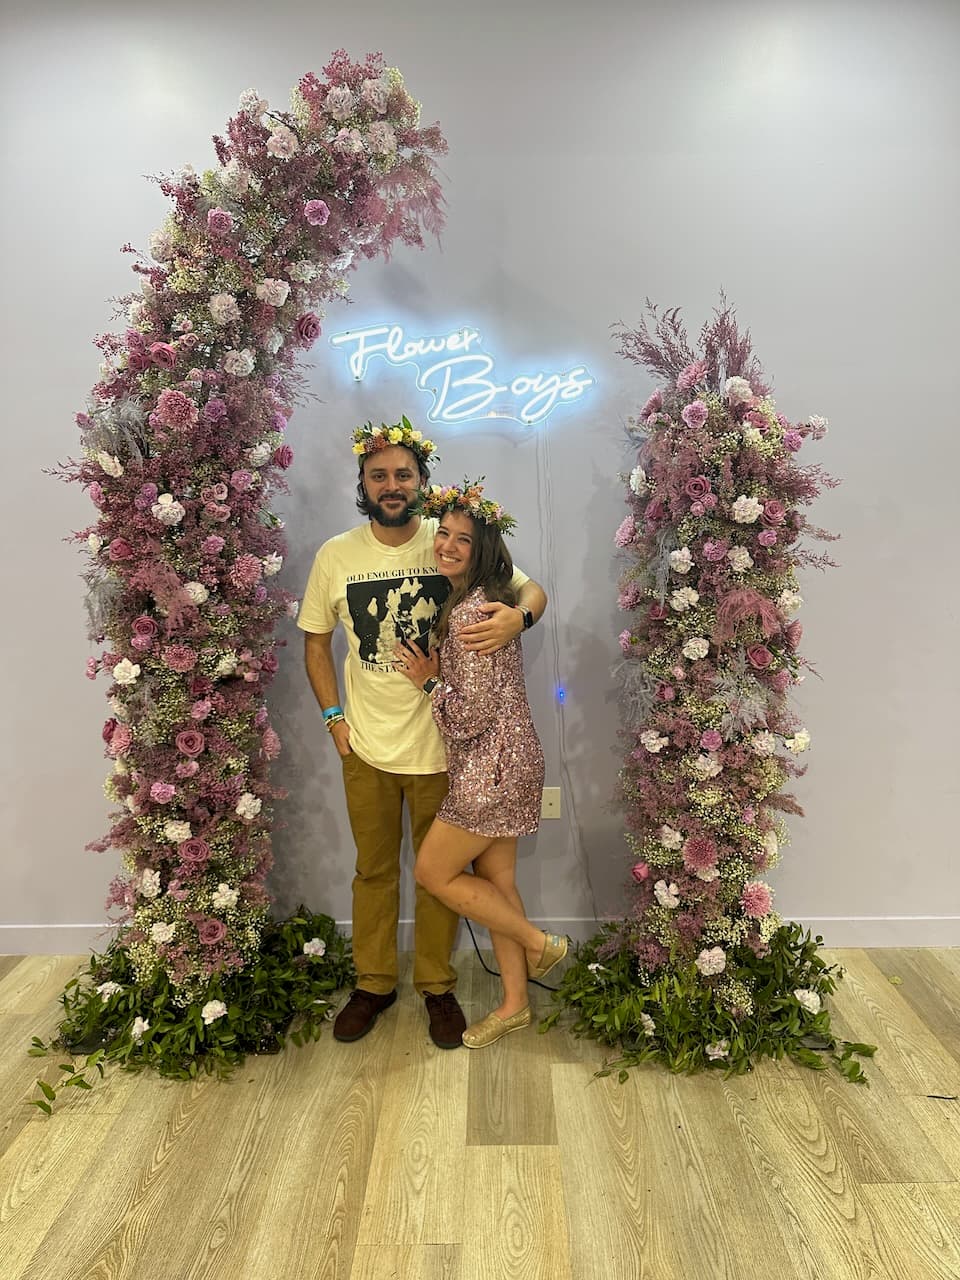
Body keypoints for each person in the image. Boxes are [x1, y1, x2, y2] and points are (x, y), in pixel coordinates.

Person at [298, 419, 547, 1049]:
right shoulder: (337, 555)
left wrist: (519, 618)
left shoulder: (450, 537)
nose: (390, 484)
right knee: (374, 870)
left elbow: (532, 589)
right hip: (368, 748)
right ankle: (374, 983)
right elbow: (315, 642)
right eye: (378, 474)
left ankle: (438, 987)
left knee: (439, 876)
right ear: (362, 482)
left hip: (447, 753)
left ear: (420, 481)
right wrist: (334, 720)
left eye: (402, 474)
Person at [396, 481, 567, 1049]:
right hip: (513, 759)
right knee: (497, 881)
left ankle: (539, 945)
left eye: (461, 539)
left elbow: (468, 718)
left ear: (483, 548)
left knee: (432, 873)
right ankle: (516, 1003)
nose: (445, 545)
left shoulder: (472, 616)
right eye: (442, 533)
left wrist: (429, 681)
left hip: (489, 767)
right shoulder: (483, 602)